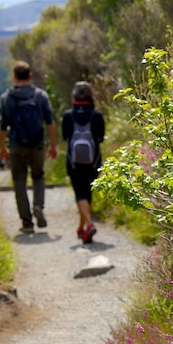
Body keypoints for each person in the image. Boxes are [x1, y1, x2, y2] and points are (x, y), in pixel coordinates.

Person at [0, 61, 57, 233]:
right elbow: (50, 123)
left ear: (14, 77)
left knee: (19, 182)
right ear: (30, 76)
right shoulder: (40, 96)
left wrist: (2, 146)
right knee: (38, 177)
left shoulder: (7, 98)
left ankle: (27, 223)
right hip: (37, 145)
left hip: (17, 146)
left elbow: (3, 126)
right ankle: (38, 206)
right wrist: (53, 145)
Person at [62, 81, 105, 244]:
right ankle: (83, 228)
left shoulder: (68, 116)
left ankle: (87, 224)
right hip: (93, 161)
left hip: (73, 161)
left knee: (80, 193)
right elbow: (100, 138)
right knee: (87, 193)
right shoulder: (97, 116)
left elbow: (65, 137)